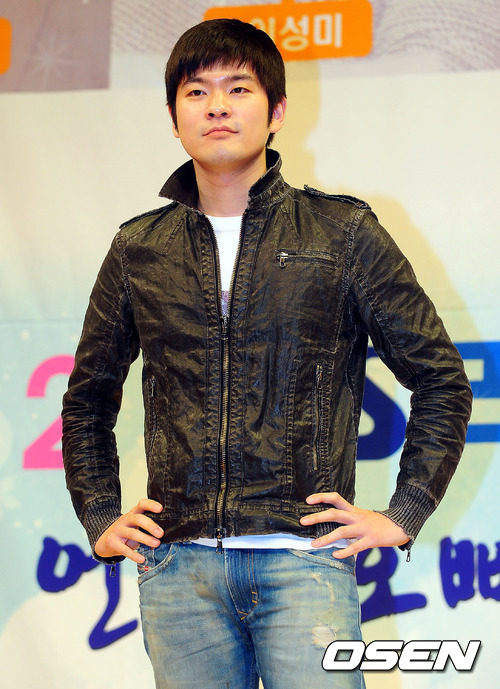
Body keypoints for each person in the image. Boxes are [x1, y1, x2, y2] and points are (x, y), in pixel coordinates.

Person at [62, 18, 472, 689]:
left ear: (277, 111)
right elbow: (86, 399)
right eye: (197, 92)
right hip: (179, 569)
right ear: (174, 118)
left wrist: (404, 513)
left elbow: (441, 379)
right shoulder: (139, 249)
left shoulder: (342, 233)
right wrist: (100, 514)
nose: (217, 106)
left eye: (238, 88)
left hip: (303, 561)